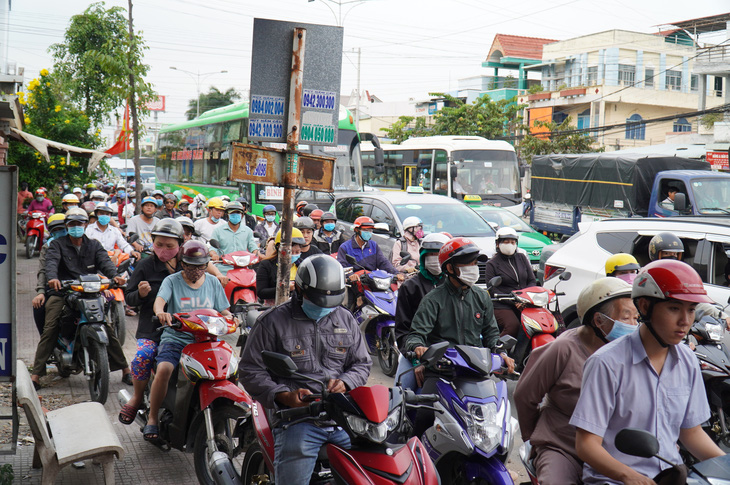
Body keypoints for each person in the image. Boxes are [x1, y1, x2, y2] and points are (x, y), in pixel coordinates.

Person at [571, 260, 725, 484]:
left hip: (671, 476)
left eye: (691, 310)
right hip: (614, 480)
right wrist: (629, 476)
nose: (685, 321)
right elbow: (586, 444)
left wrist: (725, 465)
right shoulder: (606, 364)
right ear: (644, 307)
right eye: (674, 309)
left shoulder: (688, 361)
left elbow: (690, 433)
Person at [239, 255, 371, 485]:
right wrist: (283, 395)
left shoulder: (346, 319)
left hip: (342, 417)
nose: (324, 309)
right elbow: (251, 371)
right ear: (299, 290)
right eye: (318, 301)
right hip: (296, 420)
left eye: (331, 304)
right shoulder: (271, 323)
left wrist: (347, 382)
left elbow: (362, 364)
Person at [514, 278, 638, 485]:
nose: (634, 326)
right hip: (563, 446)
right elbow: (525, 396)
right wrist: (534, 439)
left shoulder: (630, 350)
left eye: (636, 318)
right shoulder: (562, 349)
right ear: (598, 320)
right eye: (626, 318)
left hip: (613, 450)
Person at [403, 237, 515, 436]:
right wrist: (419, 347)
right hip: (441, 372)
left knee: (496, 422)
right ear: (450, 268)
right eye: (468, 263)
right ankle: (417, 457)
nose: (474, 268)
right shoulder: (433, 300)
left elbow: (491, 334)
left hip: (476, 370)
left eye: (474, 263)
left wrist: (501, 352)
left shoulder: (481, 297)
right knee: (424, 418)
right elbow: (415, 335)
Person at [31, 207, 132, 389]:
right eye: (72, 224)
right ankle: (36, 374)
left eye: (80, 223)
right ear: (67, 225)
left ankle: (125, 370)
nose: (76, 226)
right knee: (51, 327)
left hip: (89, 291)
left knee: (106, 327)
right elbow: (51, 263)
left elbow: (105, 262)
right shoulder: (57, 244)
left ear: (86, 225)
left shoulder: (93, 245)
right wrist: (53, 279)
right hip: (62, 291)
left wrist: (114, 276)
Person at [146, 240, 233, 442]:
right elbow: (160, 302)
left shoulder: (212, 282)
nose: (196, 271)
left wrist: (231, 317)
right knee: (165, 369)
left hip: (207, 340)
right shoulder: (172, 281)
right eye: (191, 266)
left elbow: (223, 309)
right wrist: (161, 313)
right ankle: (152, 417)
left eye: (201, 266)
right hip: (176, 338)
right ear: (182, 264)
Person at [119, 220, 185, 426]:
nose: (164, 250)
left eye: (169, 246)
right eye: (159, 245)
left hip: (187, 328)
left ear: (180, 245)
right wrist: (139, 294)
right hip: (153, 327)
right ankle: (138, 397)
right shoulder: (145, 265)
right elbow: (128, 296)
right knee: (143, 356)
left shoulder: (188, 264)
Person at [393, 233, 450, 388]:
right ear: (423, 257)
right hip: (417, 352)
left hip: (451, 353)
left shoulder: (456, 286)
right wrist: (415, 359)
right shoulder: (410, 287)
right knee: (402, 389)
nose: (434, 259)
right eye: (430, 255)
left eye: (438, 255)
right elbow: (403, 331)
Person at [484, 227, 536, 338]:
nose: (510, 244)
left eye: (513, 242)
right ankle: (496, 349)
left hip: (525, 301)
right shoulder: (492, 264)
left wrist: (524, 298)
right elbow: (492, 289)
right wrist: (514, 301)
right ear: (498, 244)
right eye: (506, 242)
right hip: (502, 303)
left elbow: (532, 280)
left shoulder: (521, 258)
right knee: (513, 326)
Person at [31, 214, 68, 335]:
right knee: (39, 307)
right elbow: (43, 270)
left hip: (80, 286)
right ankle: (46, 340)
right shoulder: (48, 247)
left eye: (61, 229)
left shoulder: (80, 243)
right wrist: (41, 291)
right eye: (55, 230)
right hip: (56, 288)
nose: (59, 232)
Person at [256, 228, 305, 305]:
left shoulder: (302, 265)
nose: (294, 255)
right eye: (291, 252)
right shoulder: (266, 265)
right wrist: (285, 288)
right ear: (279, 247)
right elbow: (261, 292)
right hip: (274, 308)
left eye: (297, 252)